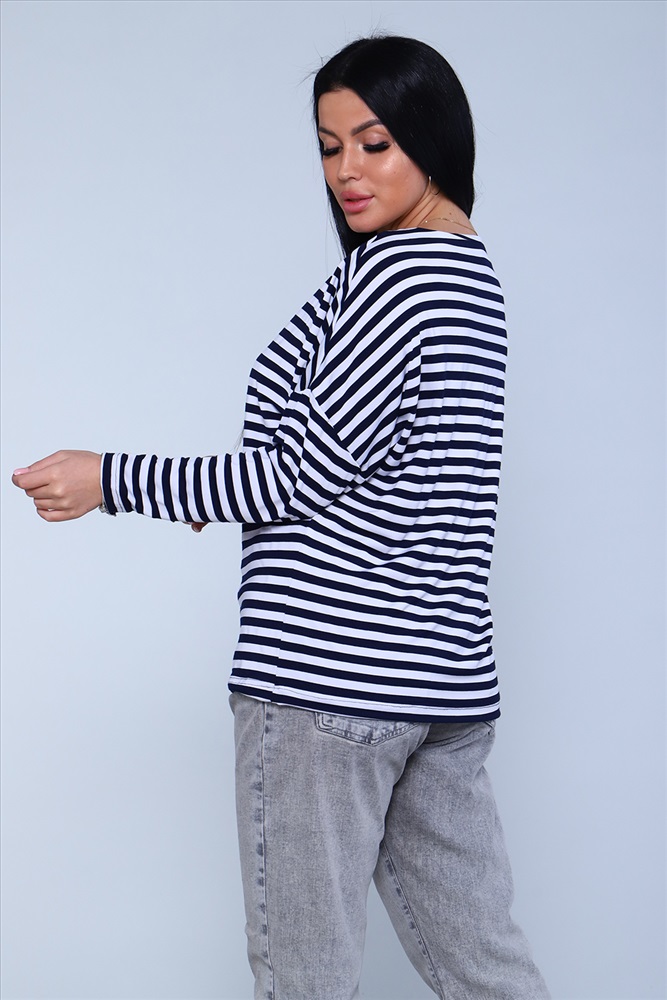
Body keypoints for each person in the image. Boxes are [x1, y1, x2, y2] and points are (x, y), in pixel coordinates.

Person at [13, 34, 550, 1000]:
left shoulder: (397, 278)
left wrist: (110, 480)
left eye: (374, 143)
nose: (346, 171)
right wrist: (229, 491)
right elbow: (373, 462)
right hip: (438, 680)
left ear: (432, 137)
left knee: (304, 981)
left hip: (326, 682)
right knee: (487, 972)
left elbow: (293, 476)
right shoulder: (469, 274)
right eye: (328, 147)